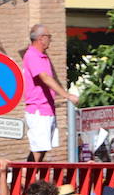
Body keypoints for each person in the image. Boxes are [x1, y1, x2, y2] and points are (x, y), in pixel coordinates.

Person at [22, 24, 78, 161]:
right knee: (38, 147)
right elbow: (45, 77)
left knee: (43, 147)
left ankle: (31, 176)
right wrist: (67, 95)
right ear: (41, 38)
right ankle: (30, 178)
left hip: (47, 108)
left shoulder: (41, 56)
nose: (50, 40)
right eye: (49, 37)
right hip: (38, 109)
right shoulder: (33, 55)